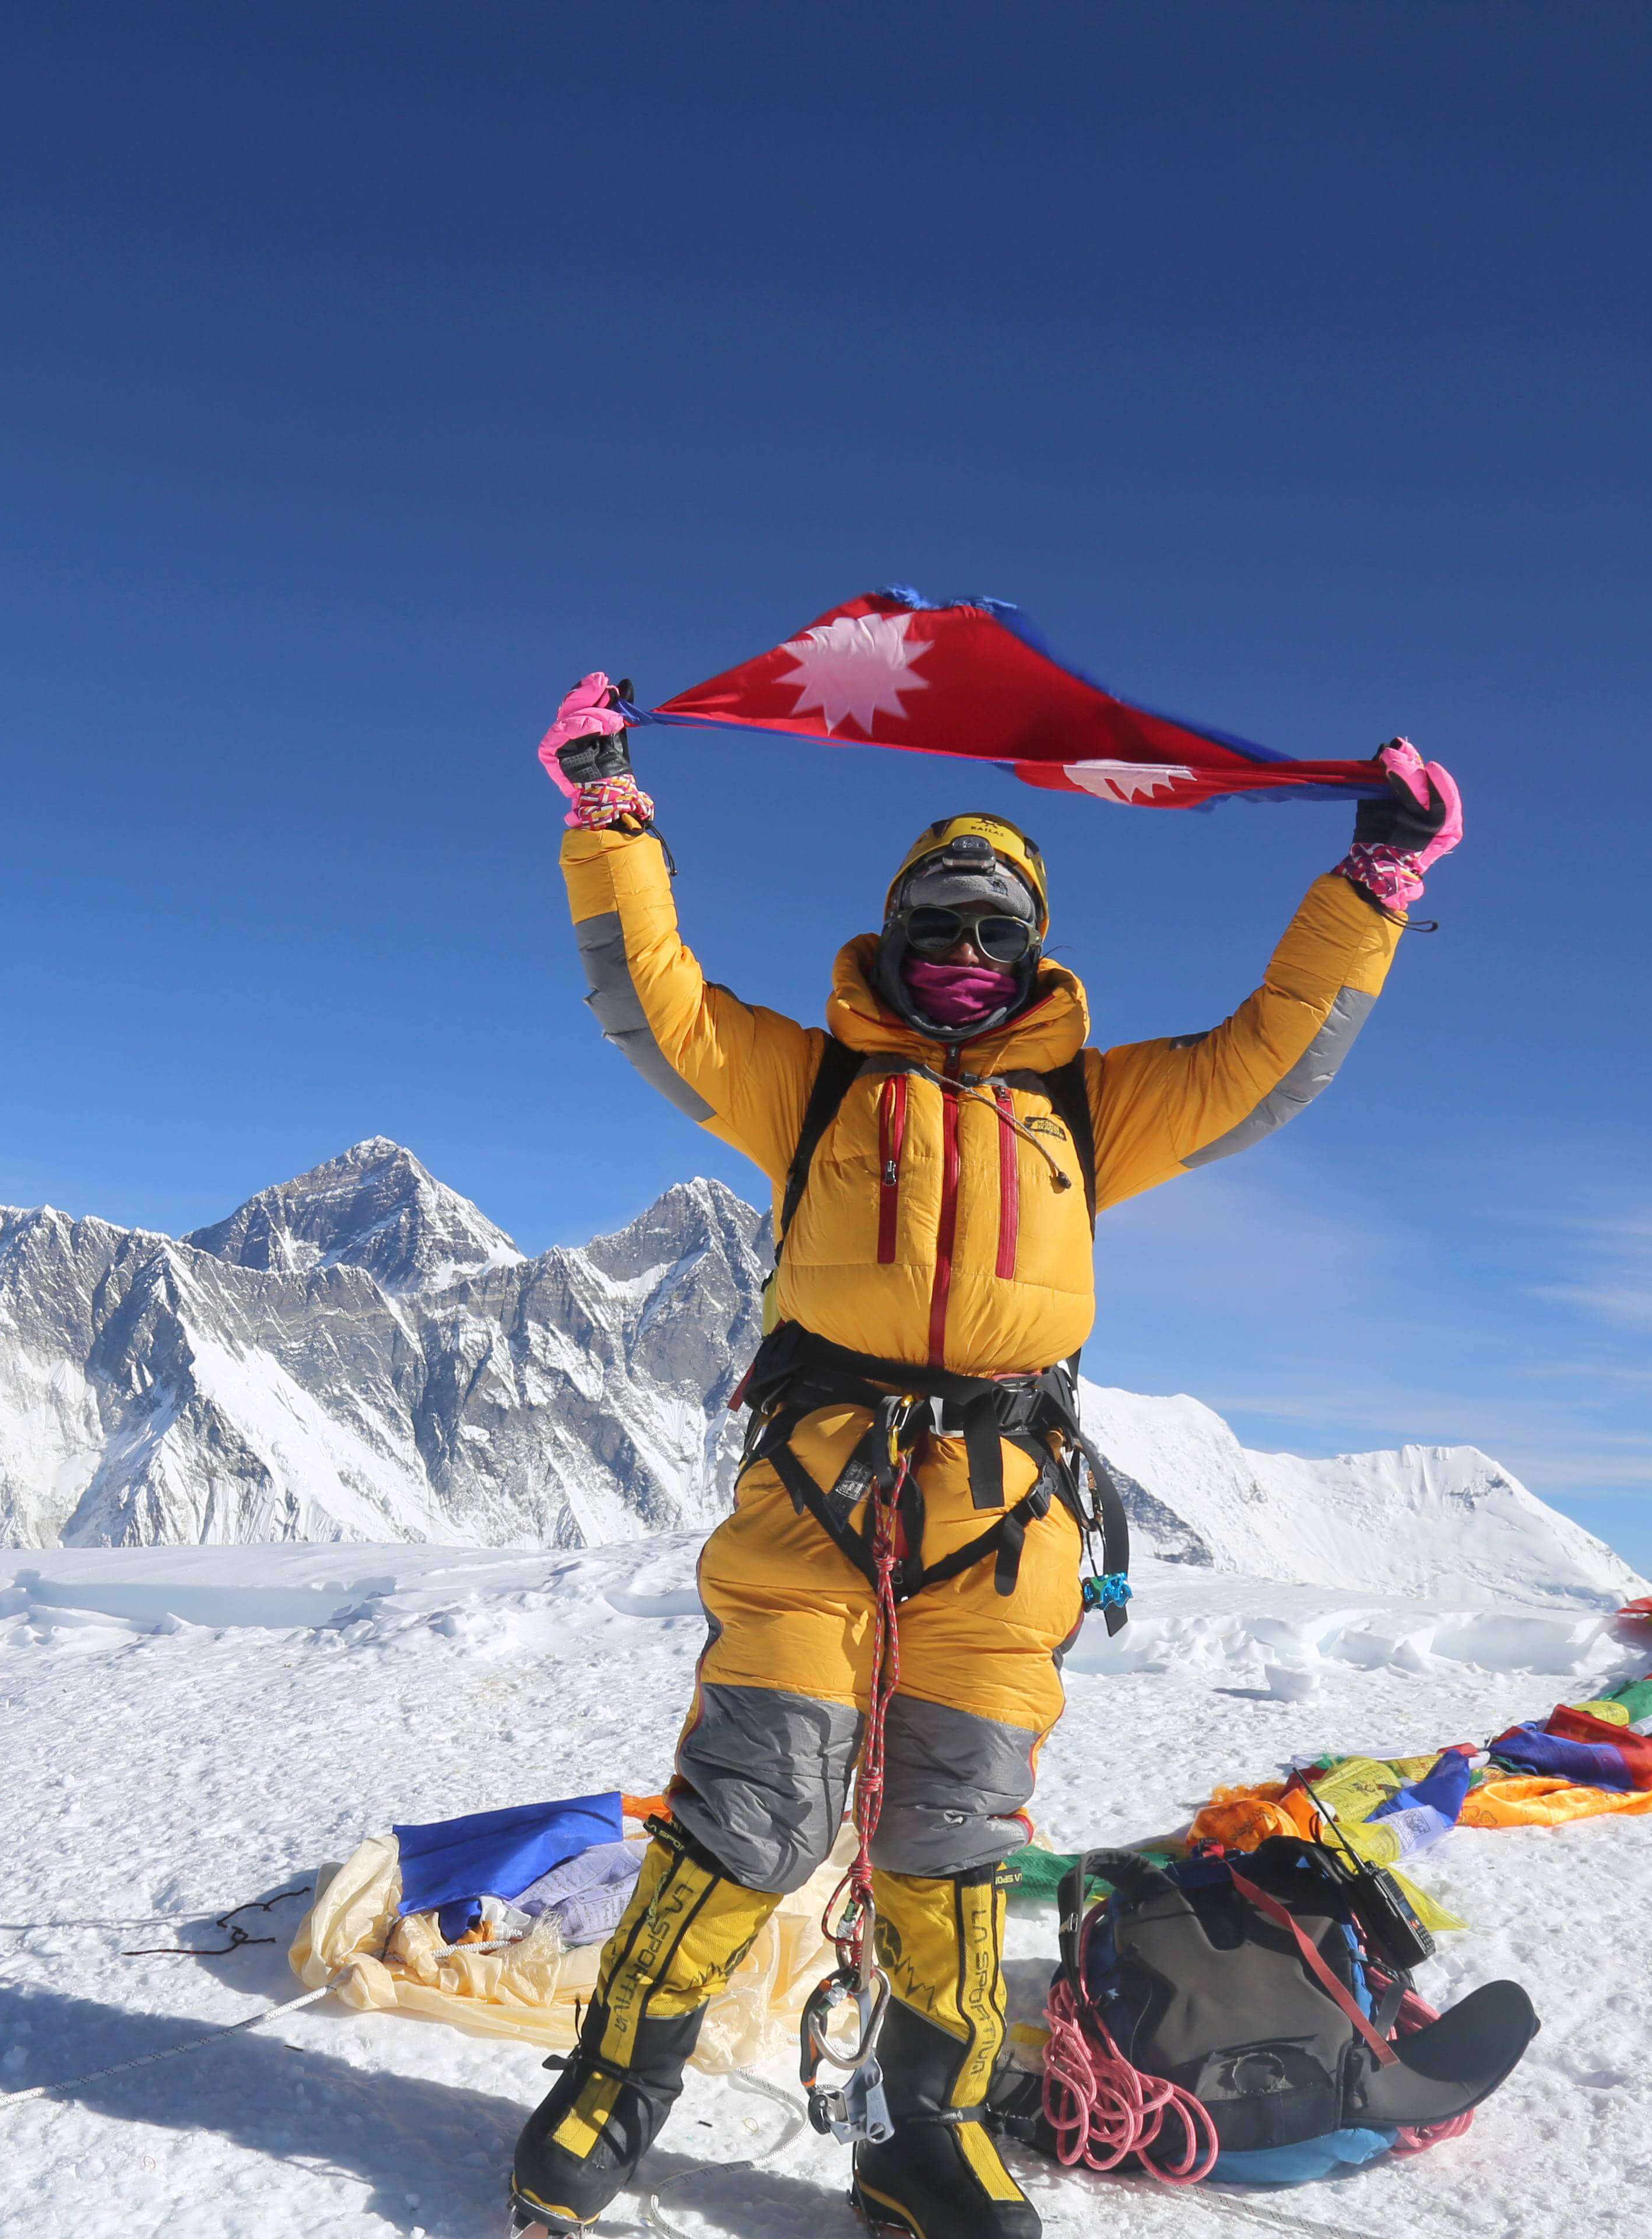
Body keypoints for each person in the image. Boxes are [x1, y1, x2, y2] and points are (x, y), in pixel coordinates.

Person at [507, 675, 1463, 2239]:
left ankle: (920, 2140)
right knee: (755, 1810)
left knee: (947, 1841)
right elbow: (657, 1001)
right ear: (889, 941)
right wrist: (609, 815)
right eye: (935, 929)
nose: (961, 956)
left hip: (1005, 1527)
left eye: (992, 932)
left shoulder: (1096, 1112)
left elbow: (1269, 1055)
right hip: (816, 1503)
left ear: (1033, 951)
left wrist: (1370, 892)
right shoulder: (813, 1081)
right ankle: (611, 2090)